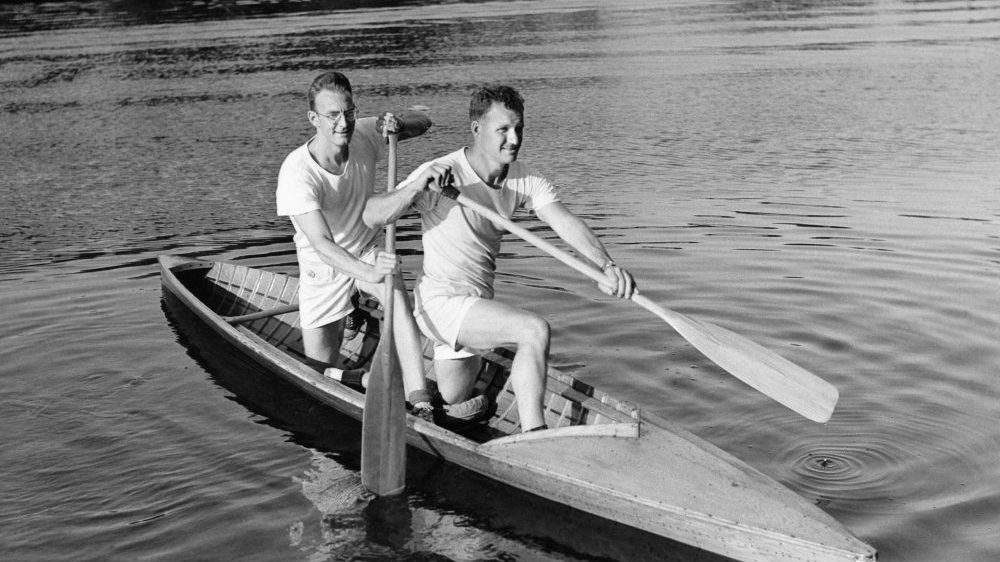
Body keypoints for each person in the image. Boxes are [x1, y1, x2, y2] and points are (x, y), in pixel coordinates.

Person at [394, 85, 636, 432]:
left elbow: (565, 222)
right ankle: (535, 434)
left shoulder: (525, 178)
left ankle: (411, 397)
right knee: (533, 330)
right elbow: (372, 214)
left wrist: (606, 266)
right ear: (477, 129)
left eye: (518, 128)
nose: (514, 139)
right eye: (503, 129)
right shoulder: (441, 172)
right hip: (440, 304)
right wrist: (413, 189)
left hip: (476, 305)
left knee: (451, 401)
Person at [275, 71, 440, 420]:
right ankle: (361, 377)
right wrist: (366, 272)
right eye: (332, 115)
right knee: (318, 374)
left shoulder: (363, 132)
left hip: (367, 247)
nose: (343, 123)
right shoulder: (296, 172)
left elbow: (423, 120)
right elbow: (322, 244)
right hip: (323, 267)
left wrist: (399, 124)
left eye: (349, 112)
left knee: (396, 294)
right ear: (313, 118)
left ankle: (420, 399)